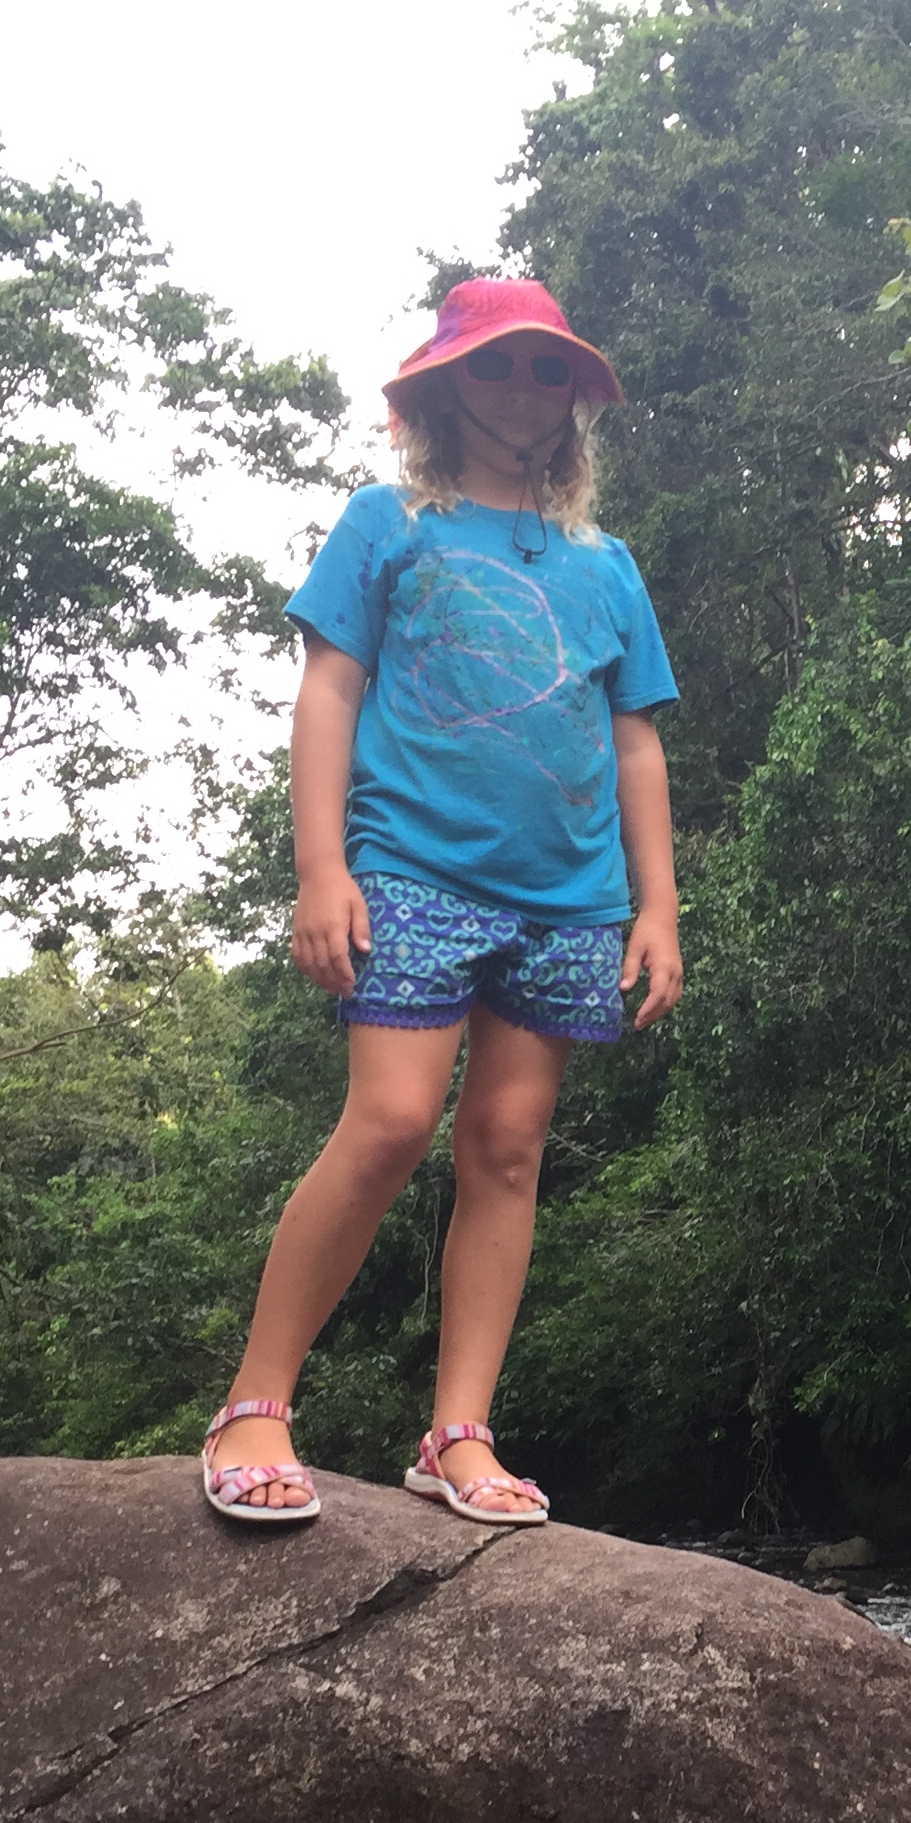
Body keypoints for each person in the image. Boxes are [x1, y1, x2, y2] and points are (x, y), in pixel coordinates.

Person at [199, 278, 682, 1527]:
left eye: (545, 369)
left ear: (574, 397)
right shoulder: (388, 523)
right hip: (411, 867)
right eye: (493, 365)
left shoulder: (606, 564)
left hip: (569, 897)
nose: (521, 389)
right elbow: (329, 690)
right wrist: (322, 870)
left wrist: (658, 908)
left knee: (509, 1146)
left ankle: (459, 1433)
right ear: (442, 389)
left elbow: (635, 741)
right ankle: (254, 1405)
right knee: (392, 1120)